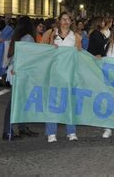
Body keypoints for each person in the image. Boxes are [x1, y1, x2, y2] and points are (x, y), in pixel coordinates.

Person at [46, 12, 82, 143]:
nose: (66, 21)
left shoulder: (76, 36)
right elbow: (45, 52)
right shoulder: (52, 34)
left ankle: (71, 132)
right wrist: (51, 48)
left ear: (71, 22)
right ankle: (51, 133)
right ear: (59, 21)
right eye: (63, 19)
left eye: (68, 19)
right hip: (54, 73)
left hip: (69, 73)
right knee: (53, 102)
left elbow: (80, 55)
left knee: (70, 102)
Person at [2, 16, 39, 140]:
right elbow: (26, 56)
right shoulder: (28, 37)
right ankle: (8, 131)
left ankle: (21, 128)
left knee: (21, 101)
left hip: (16, 70)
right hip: (20, 72)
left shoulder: (17, 36)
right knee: (14, 102)